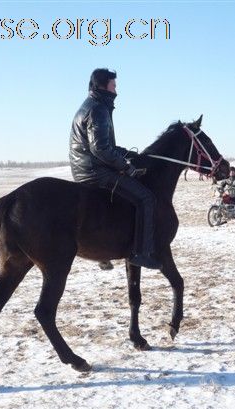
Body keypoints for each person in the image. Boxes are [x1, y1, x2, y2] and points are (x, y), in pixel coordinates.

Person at [69, 68, 160, 269]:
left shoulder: (92, 105)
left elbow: (107, 146)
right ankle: (141, 253)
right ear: (103, 85)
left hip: (85, 168)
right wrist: (126, 167)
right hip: (95, 171)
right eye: (114, 85)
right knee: (146, 198)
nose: (116, 90)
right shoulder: (98, 109)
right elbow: (100, 149)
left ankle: (102, 250)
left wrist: (133, 156)